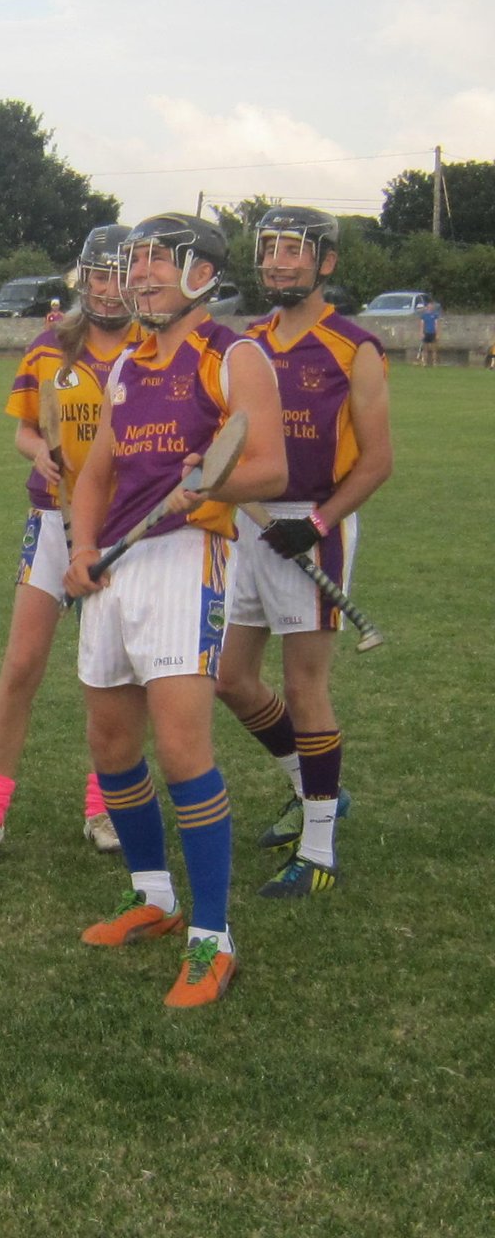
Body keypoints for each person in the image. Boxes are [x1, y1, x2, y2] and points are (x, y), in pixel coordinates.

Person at [63, 213, 286, 1008]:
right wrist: (81, 547)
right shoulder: (128, 361)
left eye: (159, 261)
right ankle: (154, 897)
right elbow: (98, 471)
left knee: (184, 748)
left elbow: (270, 467)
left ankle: (213, 939)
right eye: (137, 262)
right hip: (117, 563)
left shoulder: (234, 356)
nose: (142, 275)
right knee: (111, 741)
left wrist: (214, 482)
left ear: (202, 273)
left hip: (188, 559)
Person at [0, 226, 140, 866]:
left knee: (113, 673)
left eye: (120, 277)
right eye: (100, 276)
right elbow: (26, 433)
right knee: (23, 663)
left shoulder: (153, 351)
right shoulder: (49, 348)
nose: (109, 290)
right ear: (84, 279)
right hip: (53, 521)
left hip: (121, 531)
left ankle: (103, 806)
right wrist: (41, 455)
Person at [216, 207, 392, 897]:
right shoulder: (247, 345)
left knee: (304, 687)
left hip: (314, 525)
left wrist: (316, 524)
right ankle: (313, 789)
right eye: (270, 248)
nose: (278, 261)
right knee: (230, 678)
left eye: (294, 249)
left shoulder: (355, 348)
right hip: (251, 523)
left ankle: (318, 852)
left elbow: (376, 462)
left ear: (326, 262)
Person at [416, 297, 441, 366]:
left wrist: (437, 334)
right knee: (425, 349)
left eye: (431, 306)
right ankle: (425, 362)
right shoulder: (424, 316)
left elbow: (436, 324)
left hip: (433, 333)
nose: (430, 308)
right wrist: (421, 333)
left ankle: (434, 362)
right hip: (426, 333)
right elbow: (422, 325)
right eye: (429, 306)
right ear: (427, 307)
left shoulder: (435, 315)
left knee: (434, 349)